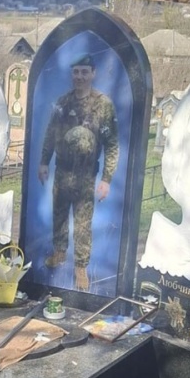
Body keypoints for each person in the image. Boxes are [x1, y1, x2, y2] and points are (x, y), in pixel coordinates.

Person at [38, 53, 119, 291]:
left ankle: (81, 268)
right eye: (76, 72)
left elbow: (112, 144)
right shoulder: (62, 103)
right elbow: (51, 134)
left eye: (84, 72)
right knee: (59, 216)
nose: (80, 76)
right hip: (62, 172)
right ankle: (59, 254)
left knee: (83, 224)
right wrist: (44, 161)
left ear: (93, 73)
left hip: (86, 176)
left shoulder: (103, 105)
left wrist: (106, 179)